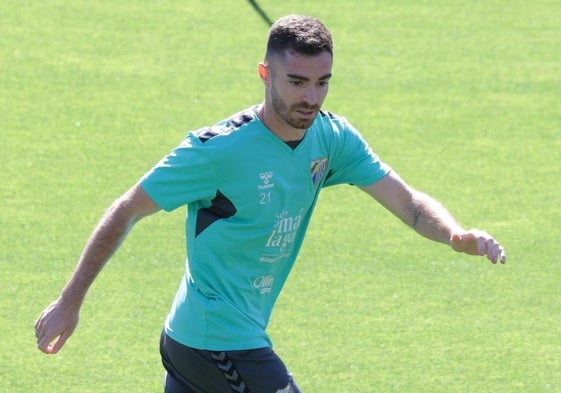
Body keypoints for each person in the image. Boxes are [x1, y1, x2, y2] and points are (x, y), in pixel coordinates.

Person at [35, 14, 506, 393]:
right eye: (297, 82)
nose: (311, 97)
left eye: (322, 82)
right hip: (215, 340)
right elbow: (127, 209)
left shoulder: (332, 138)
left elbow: (410, 205)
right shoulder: (213, 152)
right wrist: (70, 300)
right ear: (266, 74)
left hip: (202, 341)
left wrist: (454, 234)